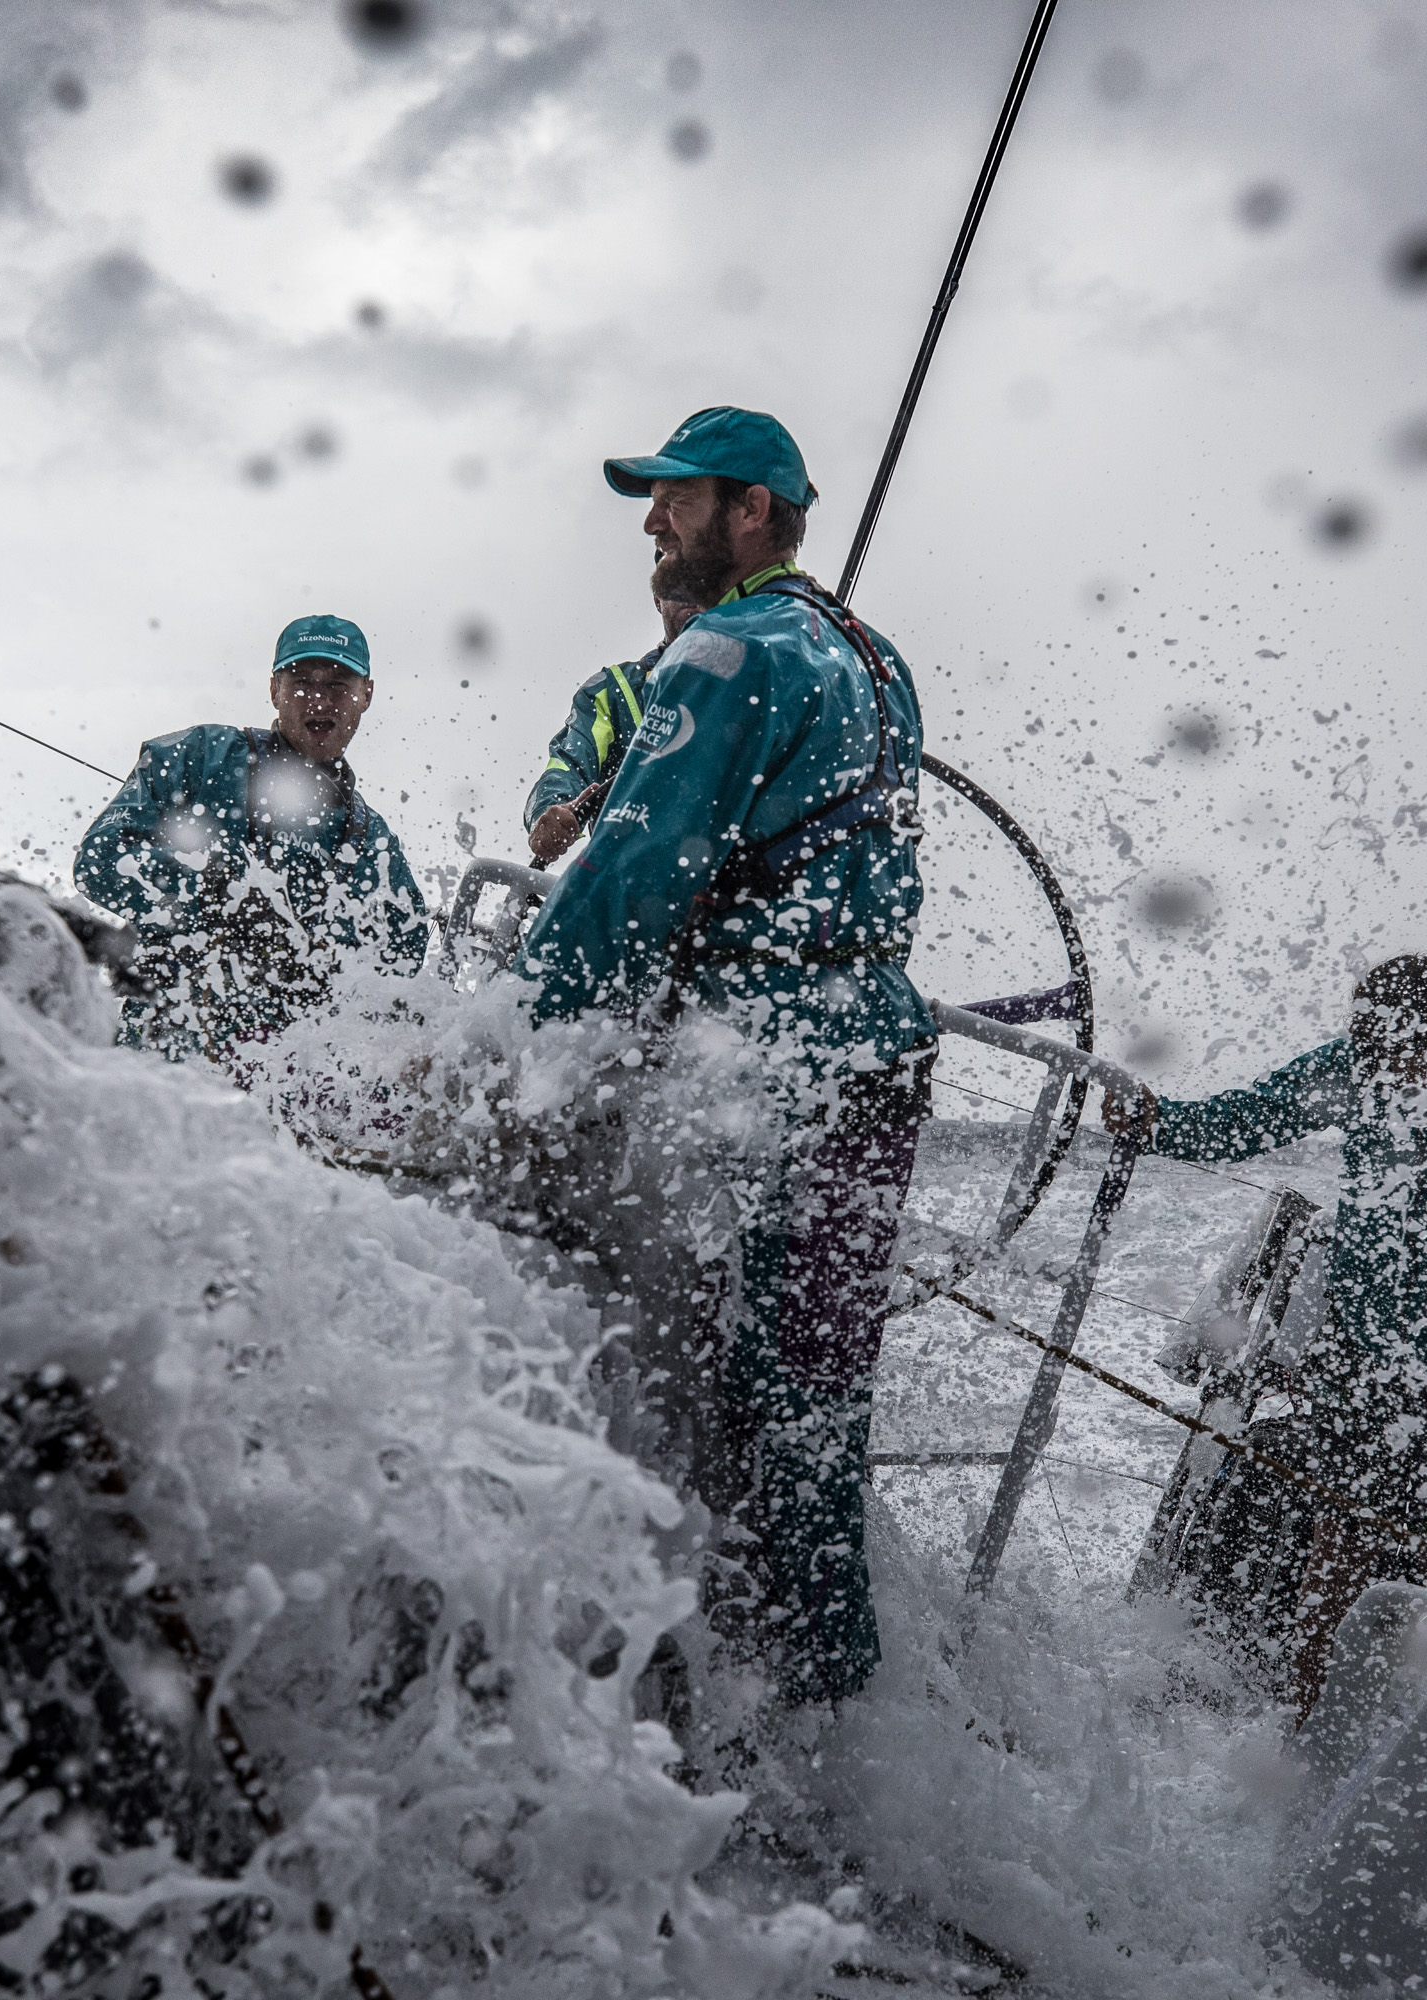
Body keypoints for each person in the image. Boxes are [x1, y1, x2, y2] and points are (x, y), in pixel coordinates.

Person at [519, 406, 933, 1710]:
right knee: (809, 1399)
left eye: (675, 498)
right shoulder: (879, 661)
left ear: (750, 510)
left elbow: (628, 879)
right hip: (874, 1066)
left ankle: (678, 1703)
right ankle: (818, 1711)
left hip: (761, 1075)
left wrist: (502, 1061)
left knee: (704, 1377)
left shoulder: (727, 647)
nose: (651, 520)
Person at [1104, 953, 1427, 1711]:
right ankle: (1310, 1711)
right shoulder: (1363, 1066)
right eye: (1377, 1050)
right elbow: (1254, 1115)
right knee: (1341, 1539)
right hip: (1365, 1358)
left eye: (1409, 1053)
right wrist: (1158, 1123)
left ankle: (1416, 1721)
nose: (1394, 1071)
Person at [75, 614, 427, 1061]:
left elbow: (405, 956)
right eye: (300, 681)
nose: (319, 699)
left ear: (366, 695)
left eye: (339, 684)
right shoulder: (200, 757)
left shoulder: (373, 840)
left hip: (294, 1091)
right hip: (162, 1071)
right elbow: (100, 858)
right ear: (274, 690)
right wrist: (211, 899)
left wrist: (328, 966)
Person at [523, 592, 693, 866]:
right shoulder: (613, 693)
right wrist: (550, 809)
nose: (693, 590)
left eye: (705, 574)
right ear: (658, 598)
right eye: (679, 579)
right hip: (633, 880)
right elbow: (568, 765)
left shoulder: (764, 672)